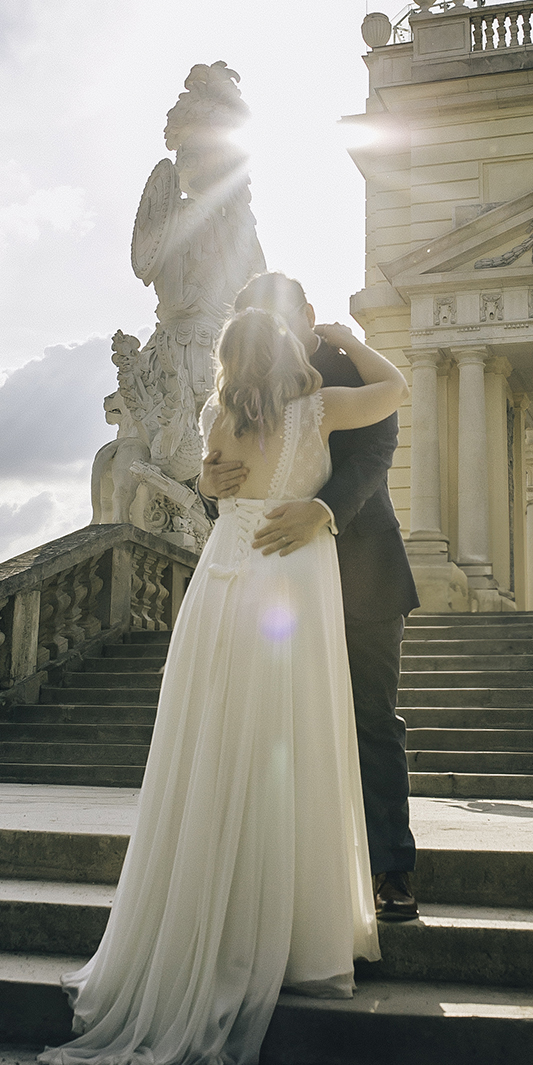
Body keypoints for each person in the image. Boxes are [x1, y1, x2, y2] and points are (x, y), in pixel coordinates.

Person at [38, 305, 408, 1065]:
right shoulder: (318, 408)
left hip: (222, 585)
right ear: (287, 349)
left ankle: (213, 908)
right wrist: (350, 342)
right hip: (292, 581)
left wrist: (212, 479)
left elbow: (213, 483)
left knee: (215, 740)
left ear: (226, 361)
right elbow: (396, 387)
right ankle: (294, 927)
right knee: (295, 738)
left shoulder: (215, 414)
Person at [201, 273, 419, 921]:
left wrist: (321, 510)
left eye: (279, 315)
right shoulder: (237, 389)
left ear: (307, 314)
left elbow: (376, 453)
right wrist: (206, 480)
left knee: (372, 720)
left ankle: (391, 870)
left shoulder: (341, 371)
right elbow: (222, 474)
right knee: (274, 725)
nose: (270, 327)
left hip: (363, 569)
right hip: (272, 578)